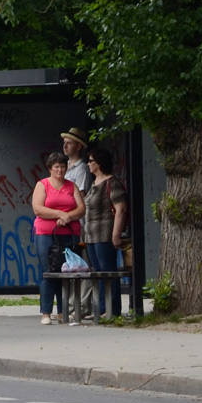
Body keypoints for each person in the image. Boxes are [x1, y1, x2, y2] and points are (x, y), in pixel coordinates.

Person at [32, 151, 85, 325]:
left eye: (63, 166)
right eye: (56, 167)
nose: (60, 170)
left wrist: (68, 217)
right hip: (46, 234)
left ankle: (63, 312)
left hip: (69, 234)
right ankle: (45, 313)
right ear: (50, 169)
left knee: (66, 272)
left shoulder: (72, 186)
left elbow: (81, 208)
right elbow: (38, 208)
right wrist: (59, 214)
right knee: (48, 272)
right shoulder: (43, 185)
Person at [83, 147, 128, 318]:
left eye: (91, 161)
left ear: (99, 163)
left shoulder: (111, 182)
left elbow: (121, 209)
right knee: (98, 272)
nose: (88, 164)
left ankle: (111, 309)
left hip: (105, 233)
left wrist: (115, 234)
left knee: (108, 270)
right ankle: (101, 308)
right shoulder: (93, 183)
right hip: (91, 235)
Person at [61, 127, 94, 320]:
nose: (65, 145)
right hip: (68, 223)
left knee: (82, 265)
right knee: (71, 264)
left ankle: (83, 305)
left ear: (79, 146)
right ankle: (72, 304)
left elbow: (79, 196)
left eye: (70, 142)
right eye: (64, 141)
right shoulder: (65, 166)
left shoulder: (81, 169)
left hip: (79, 223)